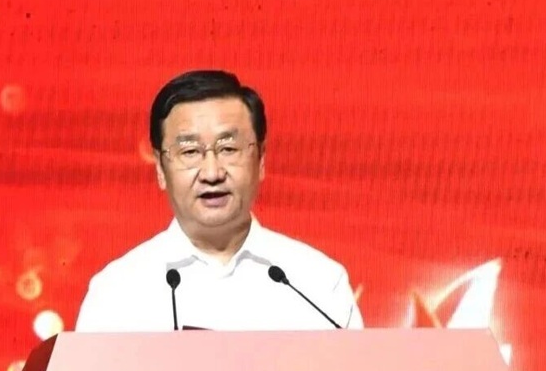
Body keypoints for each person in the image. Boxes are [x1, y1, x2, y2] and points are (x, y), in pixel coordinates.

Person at [74, 70, 363, 331]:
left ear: (261, 159)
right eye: (190, 152)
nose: (212, 173)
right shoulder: (116, 294)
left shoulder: (317, 283)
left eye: (228, 148)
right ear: (160, 169)